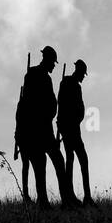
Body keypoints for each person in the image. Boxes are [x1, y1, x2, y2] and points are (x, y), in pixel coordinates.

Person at [20, 46, 79, 210]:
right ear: (47, 59)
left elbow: (51, 102)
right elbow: (29, 103)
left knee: (49, 165)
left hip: (43, 128)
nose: (54, 65)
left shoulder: (38, 76)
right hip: (39, 129)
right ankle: (51, 201)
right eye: (53, 62)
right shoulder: (35, 75)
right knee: (50, 164)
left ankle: (56, 201)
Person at [58, 60, 95, 206]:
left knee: (71, 159)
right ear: (79, 72)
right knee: (80, 160)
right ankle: (77, 196)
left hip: (70, 128)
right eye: (83, 75)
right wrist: (69, 122)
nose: (83, 78)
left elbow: (66, 106)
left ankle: (77, 196)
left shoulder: (66, 83)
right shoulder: (70, 84)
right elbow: (63, 105)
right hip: (70, 128)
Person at [12, 86, 32, 203]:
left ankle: (26, 194)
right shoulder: (24, 107)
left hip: (24, 139)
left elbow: (17, 129)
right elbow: (18, 128)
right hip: (24, 140)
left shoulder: (22, 107)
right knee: (26, 167)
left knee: (26, 167)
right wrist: (15, 150)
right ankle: (25, 194)